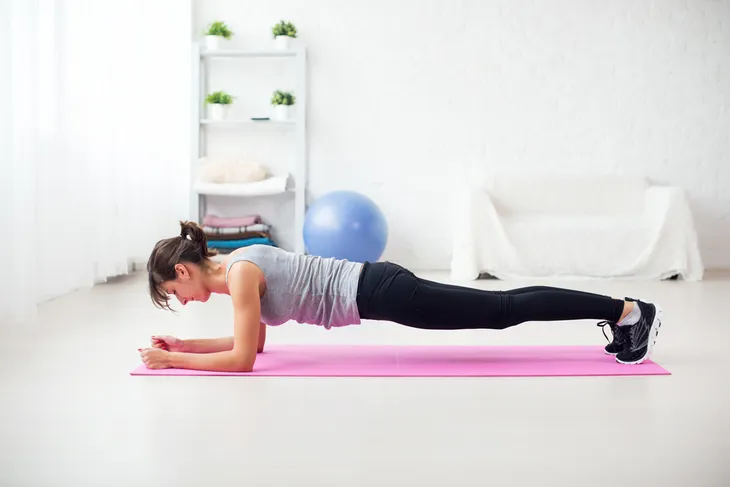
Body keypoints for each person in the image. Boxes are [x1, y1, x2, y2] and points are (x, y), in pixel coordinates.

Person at [140, 221, 662, 372]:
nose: (182, 302)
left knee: (502, 311)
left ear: (183, 270)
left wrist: (170, 360)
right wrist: (183, 349)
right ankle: (623, 314)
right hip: (380, 287)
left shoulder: (240, 274)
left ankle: (629, 312)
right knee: (501, 310)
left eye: (174, 292)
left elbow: (242, 361)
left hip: (384, 292)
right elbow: (250, 346)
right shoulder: (240, 265)